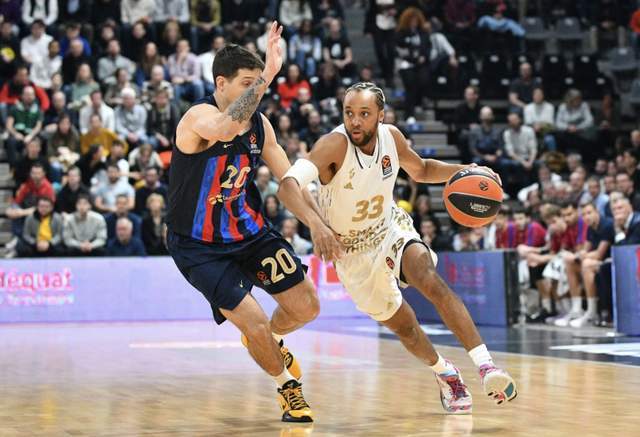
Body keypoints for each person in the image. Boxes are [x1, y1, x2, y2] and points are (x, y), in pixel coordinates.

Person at [280, 82, 517, 414]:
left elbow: (422, 170)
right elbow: (288, 185)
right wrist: (317, 225)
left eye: (364, 114)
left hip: (388, 228)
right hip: (351, 251)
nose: (355, 121)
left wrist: (466, 171)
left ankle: (486, 366)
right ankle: (445, 372)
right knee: (406, 328)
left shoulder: (391, 137)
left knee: (429, 278)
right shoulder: (333, 145)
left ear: (381, 115)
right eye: (349, 113)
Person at [166, 27, 341, 423]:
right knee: (255, 321)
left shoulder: (261, 126)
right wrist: (268, 76)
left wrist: (317, 223)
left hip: (249, 233)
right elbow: (225, 128)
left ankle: (269, 341)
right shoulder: (197, 117)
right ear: (221, 83)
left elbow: (290, 182)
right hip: (198, 246)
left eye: (256, 83)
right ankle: (287, 387)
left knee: (307, 306)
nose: (256, 91)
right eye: (247, 83)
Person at [562, 201, 615, 327]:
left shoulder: (607, 225)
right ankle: (576, 309)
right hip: (596, 261)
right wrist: (576, 256)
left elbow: (599, 254)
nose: (587, 217)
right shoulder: (590, 228)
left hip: (609, 261)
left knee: (586, 264)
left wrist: (580, 255)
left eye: (589, 213)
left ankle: (592, 312)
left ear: (597, 212)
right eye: (584, 214)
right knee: (570, 263)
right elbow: (585, 250)